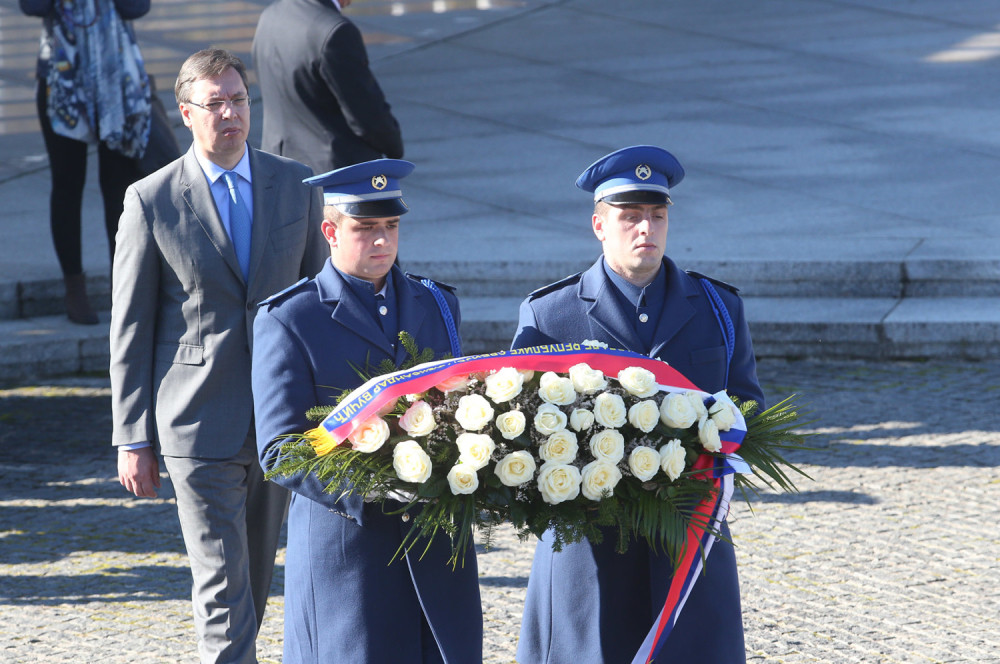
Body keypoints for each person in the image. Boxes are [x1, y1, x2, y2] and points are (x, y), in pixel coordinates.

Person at [109, 48, 327, 664]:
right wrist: (133, 436)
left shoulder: (294, 185)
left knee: (253, 583)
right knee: (222, 590)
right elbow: (130, 325)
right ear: (186, 113)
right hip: (196, 422)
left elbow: (315, 301)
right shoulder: (151, 201)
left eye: (239, 100)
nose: (230, 113)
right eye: (216, 104)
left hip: (281, 420)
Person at [511, 145, 767, 664]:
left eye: (657, 215)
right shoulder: (551, 314)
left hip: (686, 538)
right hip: (589, 547)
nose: (645, 229)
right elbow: (522, 432)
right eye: (630, 217)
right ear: (599, 226)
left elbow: (747, 406)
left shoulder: (717, 307)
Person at [251, 159, 482, 664]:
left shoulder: (436, 303)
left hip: (436, 543)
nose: (382, 240)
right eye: (365, 228)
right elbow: (280, 448)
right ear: (330, 231)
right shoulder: (292, 318)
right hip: (349, 552)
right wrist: (371, 485)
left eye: (391, 227)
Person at [20, 0, 152, 324]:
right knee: (67, 183)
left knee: (119, 190)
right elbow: (31, 5)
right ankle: (74, 289)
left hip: (117, 81)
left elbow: (137, 7)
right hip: (62, 80)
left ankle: (122, 287)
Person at [252, 0, 404, 174]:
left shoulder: (270, 16)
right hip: (332, 177)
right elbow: (366, 115)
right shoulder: (336, 31)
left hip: (277, 167)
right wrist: (394, 147)